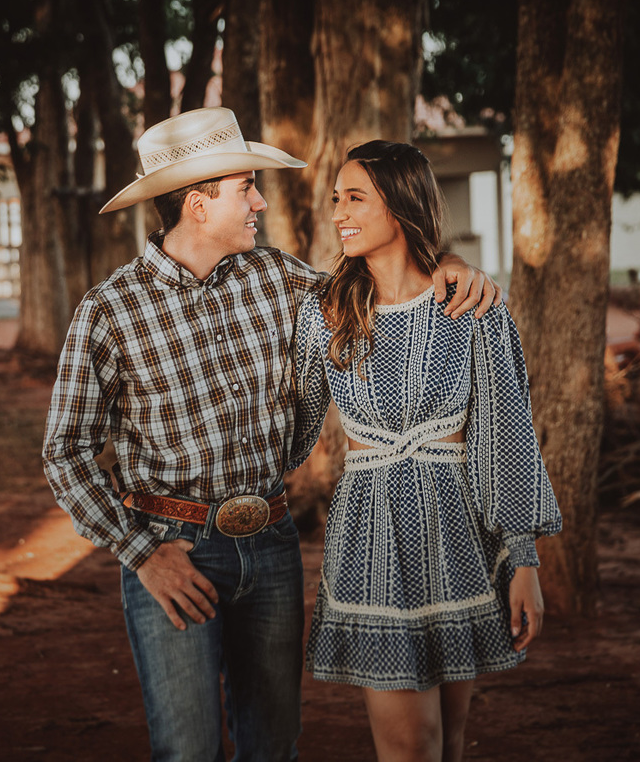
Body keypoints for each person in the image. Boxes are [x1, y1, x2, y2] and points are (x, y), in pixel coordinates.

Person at [42, 108, 500, 761]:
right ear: (199, 205)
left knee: (274, 745)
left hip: (272, 545)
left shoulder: (281, 280)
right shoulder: (109, 311)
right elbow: (66, 454)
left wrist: (451, 261)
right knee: (189, 749)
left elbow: (384, 283)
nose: (259, 200)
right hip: (172, 551)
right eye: (245, 188)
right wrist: (142, 553)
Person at [292, 140, 562, 762]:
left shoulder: (471, 307)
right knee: (410, 748)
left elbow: (507, 435)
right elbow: (295, 418)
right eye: (336, 199)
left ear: (401, 203)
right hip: (372, 541)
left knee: (451, 740)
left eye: (355, 197)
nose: (339, 213)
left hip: (457, 539)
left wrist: (524, 558)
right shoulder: (326, 311)